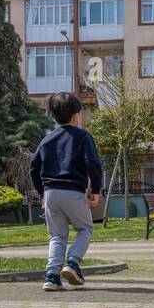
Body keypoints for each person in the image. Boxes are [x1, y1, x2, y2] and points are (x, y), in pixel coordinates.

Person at [30, 92, 104, 291]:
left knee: (57, 235)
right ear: (76, 115)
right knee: (85, 228)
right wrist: (95, 189)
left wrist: (42, 193)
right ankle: (72, 262)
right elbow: (93, 163)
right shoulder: (83, 136)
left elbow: (34, 168)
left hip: (51, 193)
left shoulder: (47, 139)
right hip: (73, 191)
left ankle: (52, 276)